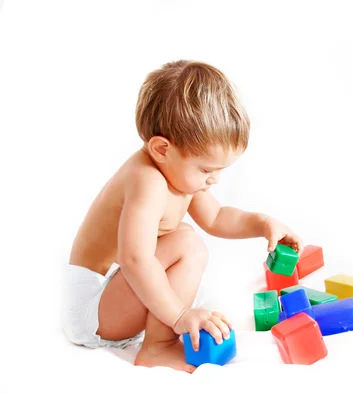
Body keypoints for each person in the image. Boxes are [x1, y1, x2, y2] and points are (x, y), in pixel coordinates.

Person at [61, 60, 304, 373]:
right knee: (187, 243)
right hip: (93, 313)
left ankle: (161, 334)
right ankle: (157, 347)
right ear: (162, 149)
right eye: (206, 169)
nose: (213, 180)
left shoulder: (175, 170)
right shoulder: (146, 179)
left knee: (188, 241)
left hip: (118, 299)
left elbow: (216, 217)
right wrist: (178, 316)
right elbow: (134, 259)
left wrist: (262, 224)